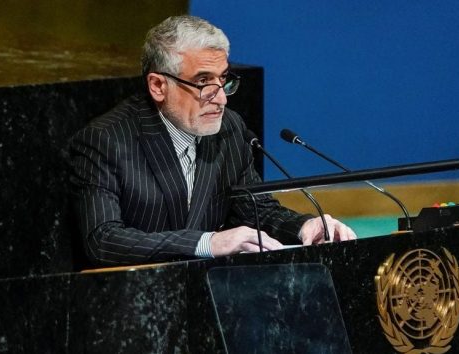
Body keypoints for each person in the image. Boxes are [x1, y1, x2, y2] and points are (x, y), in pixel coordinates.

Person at [69, 15, 356, 266]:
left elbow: (256, 210)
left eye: (223, 80)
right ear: (158, 86)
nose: (220, 98)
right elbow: (103, 240)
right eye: (204, 82)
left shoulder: (229, 128)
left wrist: (304, 225)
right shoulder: (107, 140)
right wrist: (208, 243)